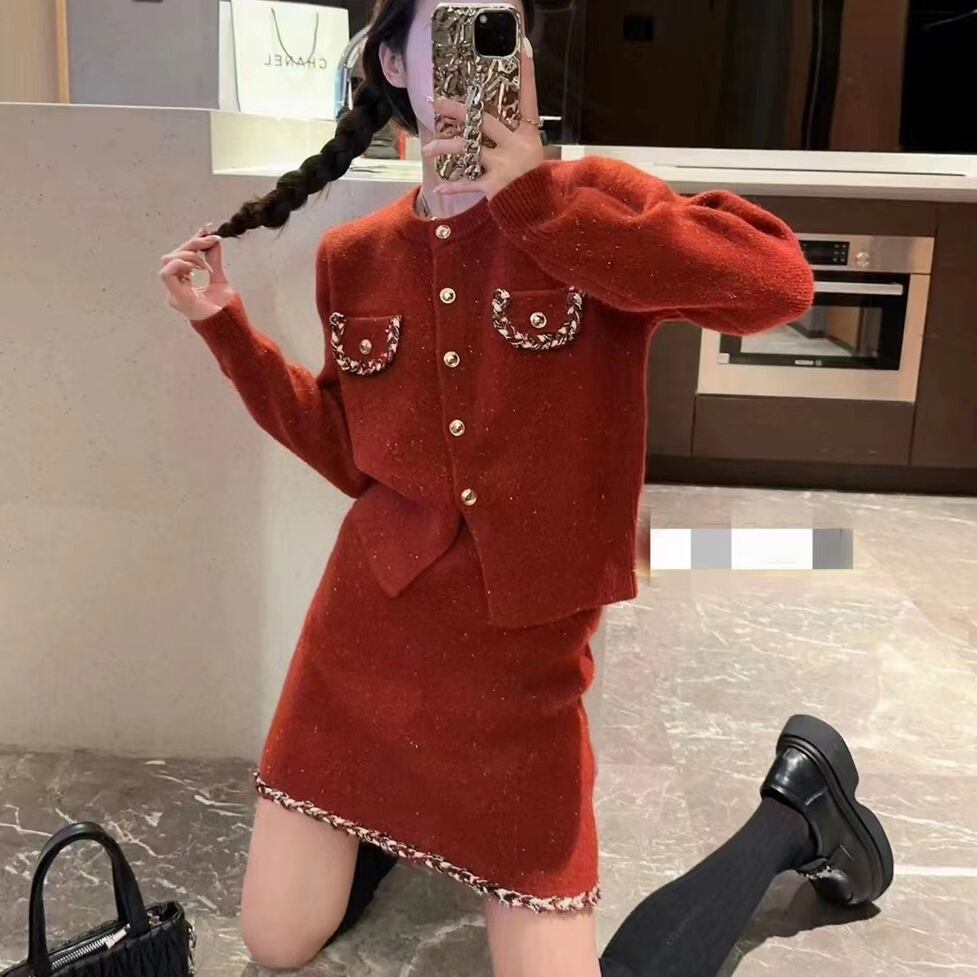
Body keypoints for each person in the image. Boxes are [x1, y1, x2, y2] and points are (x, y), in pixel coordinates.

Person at [157, 1, 893, 974]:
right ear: (394, 63)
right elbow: (347, 456)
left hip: (522, 668)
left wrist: (538, 203)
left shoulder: (590, 205)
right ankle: (403, 817)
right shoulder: (356, 257)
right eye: (455, 28)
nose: (485, 53)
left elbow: (776, 284)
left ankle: (791, 815)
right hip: (362, 644)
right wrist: (225, 330)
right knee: (276, 939)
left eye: (502, 31)